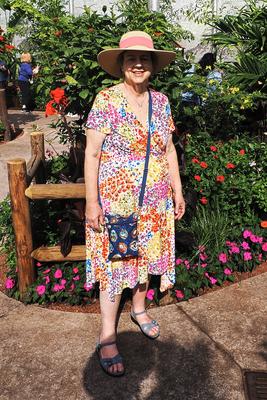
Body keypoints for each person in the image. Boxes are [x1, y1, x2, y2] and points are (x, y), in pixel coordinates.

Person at [84, 31, 185, 377]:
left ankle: (139, 309)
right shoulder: (106, 100)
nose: (138, 64)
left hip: (156, 203)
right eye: (131, 59)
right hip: (116, 204)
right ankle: (107, 336)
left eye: (144, 59)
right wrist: (92, 203)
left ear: (153, 65)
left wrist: (178, 190)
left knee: (146, 258)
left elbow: (168, 150)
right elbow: (92, 153)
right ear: (122, 65)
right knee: (115, 267)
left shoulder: (162, 102)